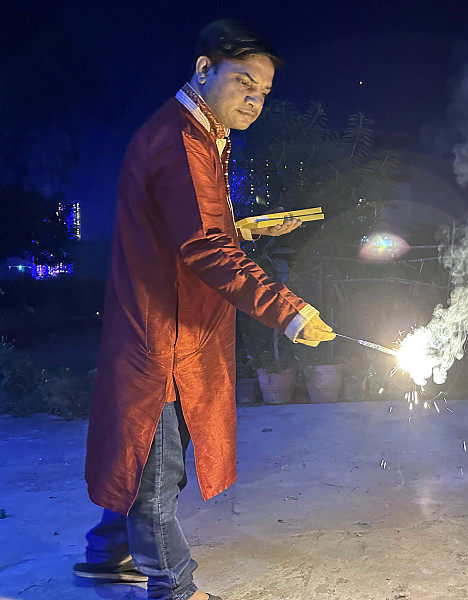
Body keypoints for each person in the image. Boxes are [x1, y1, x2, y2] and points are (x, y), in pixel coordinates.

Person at [73, 19, 335, 600]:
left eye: (264, 92)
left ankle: (106, 552)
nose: (254, 100)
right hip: (161, 335)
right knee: (157, 466)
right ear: (202, 68)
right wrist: (287, 309)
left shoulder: (200, 133)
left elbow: (190, 226)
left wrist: (243, 227)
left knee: (145, 458)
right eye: (243, 81)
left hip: (172, 325)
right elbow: (204, 247)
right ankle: (174, 585)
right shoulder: (181, 140)